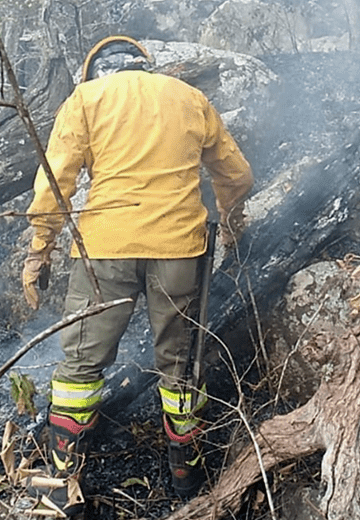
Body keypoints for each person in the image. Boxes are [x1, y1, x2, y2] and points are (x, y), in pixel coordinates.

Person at [20, 35, 253, 514]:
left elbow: (55, 181)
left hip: (106, 248)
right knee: (181, 364)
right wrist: (230, 219)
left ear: (96, 71)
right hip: (180, 249)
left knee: (80, 367)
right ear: (144, 67)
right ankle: (186, 475)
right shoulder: (190, 98)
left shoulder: (86, 99)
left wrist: (39, 250)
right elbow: (237, 175)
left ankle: (64, 479)